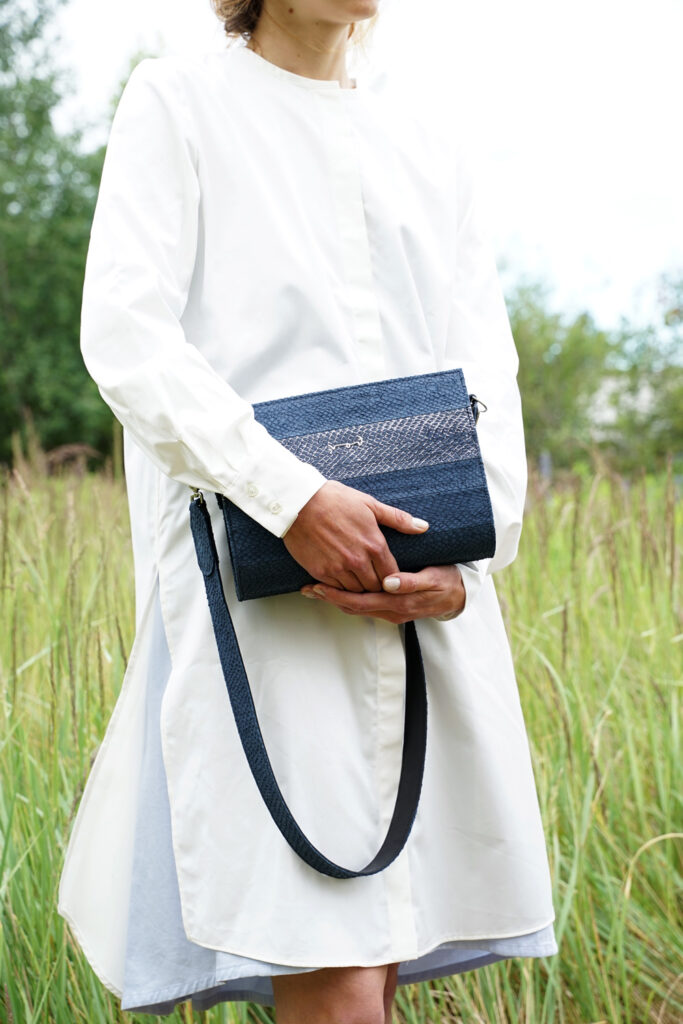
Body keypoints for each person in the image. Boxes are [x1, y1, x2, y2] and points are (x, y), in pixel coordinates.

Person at [57, 1, 559, 1021]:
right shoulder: (179, 104)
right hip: (265, 609)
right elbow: (127, 333)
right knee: (332, 960)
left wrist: (469, 562)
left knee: (372, 958)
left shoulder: (427, 141)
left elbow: (484, 371)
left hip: (422, 597)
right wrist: (288, 498)